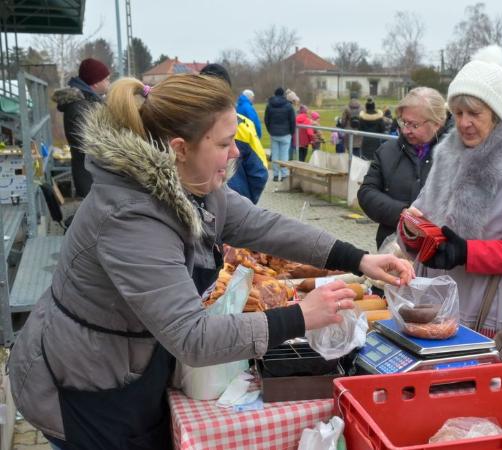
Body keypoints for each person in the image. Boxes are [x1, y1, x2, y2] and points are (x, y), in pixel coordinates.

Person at [8, 74, 414, 450]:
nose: (235, 152)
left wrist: (359, 258)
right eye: (223, 144)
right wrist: (299, 317)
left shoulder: (195, 184)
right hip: (83, 383)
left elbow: (263, 224)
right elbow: (192, 337)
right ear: (179, 149)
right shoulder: (130, 216)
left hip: (134, 363)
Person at [399, 46, 502, 336]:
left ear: (497, 113)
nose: (463, 123)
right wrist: (410, 230)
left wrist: (467, 253)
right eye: (458, 112)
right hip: (432, 306)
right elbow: (421, 210)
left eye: (474, 113)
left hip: (488, 311)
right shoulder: (448, 154)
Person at [358, 87, 448, 250]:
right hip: (392, 249)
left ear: (437, 123)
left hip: (438, 254)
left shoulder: (456, 156)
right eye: (403, 122)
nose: (406, 130)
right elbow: (366, 192)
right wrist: (402, 214)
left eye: (414, 125)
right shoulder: (387, 151)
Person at [199, 65, 268, 204]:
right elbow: (260, 172)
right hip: (236, 203)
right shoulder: (243, 125)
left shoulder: (186, 123)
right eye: (225, 144)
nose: (233, 150)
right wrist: (247, 203)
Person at [52, 58, 111, 198]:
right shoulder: (79, 108)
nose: (109, 82)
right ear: (96, 82)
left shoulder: (86, 103)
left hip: (92, 175)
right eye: (107, 79)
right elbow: (92, 144)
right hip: (89, 178)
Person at [264, 87, 296, 181]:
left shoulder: (269, 105)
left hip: (274, 133)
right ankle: (284, 175)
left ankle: (275, 175)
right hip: (286, 133)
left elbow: (266, 120)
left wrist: (270, 130)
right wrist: (292, 132)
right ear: (283, 94)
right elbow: (292, 121)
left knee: (275, 155)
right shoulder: (288, 105)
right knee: (284, 155)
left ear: (275, 93)